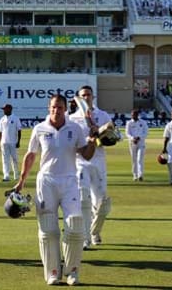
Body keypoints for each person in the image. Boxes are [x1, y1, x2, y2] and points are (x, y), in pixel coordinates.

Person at [13, 94, 97, 286]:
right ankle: (52, 272)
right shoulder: (40, 129)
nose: (55, 111)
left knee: (75, 225)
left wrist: (92, 140)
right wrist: (21, 182)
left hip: (69, 181)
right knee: (48, 229)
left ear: (65, 109)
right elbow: (31, 155)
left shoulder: (75, 128)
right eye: (53, 107)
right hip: (46, 181)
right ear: (48, 108)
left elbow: (87, 155)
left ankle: (72, 271)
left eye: (59, 107)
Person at [69, 85, 112, 249]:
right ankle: (85, 237)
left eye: (88, 95)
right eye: (83, 95)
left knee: (102, 203)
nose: (86, 97)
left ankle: (95, 231)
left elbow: (115, 137)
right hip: (80, 161)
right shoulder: (72, 118)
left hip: (98, 161)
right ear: (78, 98)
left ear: (93, 97)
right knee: (83, 199)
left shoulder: (103, 115)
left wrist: (102, 133)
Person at [0, 103, 21, 182]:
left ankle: (16, 175)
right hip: (4, 142)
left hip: (13, 142)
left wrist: (18, 142)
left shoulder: (15, 118)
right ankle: (6, 176)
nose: (3, 110)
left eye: (5, 109)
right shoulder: (2, 119)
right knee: (5, 160)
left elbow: (19, 131)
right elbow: (0, 132)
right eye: (3, 109)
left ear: (10, 109)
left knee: (14, 159)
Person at [125, 109, 149, 181]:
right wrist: (133, 138)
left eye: (135, 115)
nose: (133, 116)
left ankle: (140, 175)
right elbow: (127, 133)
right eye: (132, 115)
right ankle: (135, 175)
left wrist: (139, 137)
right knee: (134, 160)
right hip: (132, 143)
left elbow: (146, 132)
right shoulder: (129, 123)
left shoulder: (143, 122)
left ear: (137, 115)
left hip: (141, 143)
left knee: (139, 159)